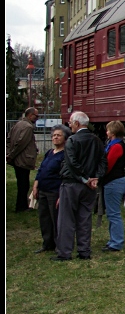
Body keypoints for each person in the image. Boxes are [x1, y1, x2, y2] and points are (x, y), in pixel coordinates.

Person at [53, 111, 107, 261]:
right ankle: (84, 251)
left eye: (70, 122)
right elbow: (103, 161)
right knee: (85, 218)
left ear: (76, 123)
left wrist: (85, 178)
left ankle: (64, 252)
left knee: (66, 219)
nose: (69, 125)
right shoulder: (97, 140)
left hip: (72, 183)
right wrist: (96, 177)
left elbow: (72, 163)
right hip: (89, 187)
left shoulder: (72, 140)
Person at [31, 124, 70, 254]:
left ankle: (59, 245)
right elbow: (41, 169)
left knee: (56, 219)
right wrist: (35, 186)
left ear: (65, 138)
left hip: (54, 191)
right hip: (42, 190)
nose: (55, 138)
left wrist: (61, 194)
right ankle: (47, 243)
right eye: (53, 135)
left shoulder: (64, 155)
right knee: (44, 218)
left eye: (58, 135)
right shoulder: (49, 153)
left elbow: (64, 176)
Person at [100, 121, 125, 252]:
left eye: (108, 130)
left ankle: (116, 242)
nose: (106, 132)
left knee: (113, 213)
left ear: (112, 132)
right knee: (112, 213)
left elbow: (108, 165)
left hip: (113, 182)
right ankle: (113, 240)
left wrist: (99, 176)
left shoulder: (116, 147)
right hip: (115, 181)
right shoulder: (114, 145)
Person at [6, 107, 39, 212]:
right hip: (23, 159)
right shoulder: (28, 127)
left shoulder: (17, 124)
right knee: (23, 184)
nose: (37, 118)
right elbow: (21, 143)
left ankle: (21, 206)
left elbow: (8, 139)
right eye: (36, 116)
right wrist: (11, 155)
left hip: (17, 159)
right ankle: (21, 207)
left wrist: (9, 154)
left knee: (21, 183)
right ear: (30, 115)